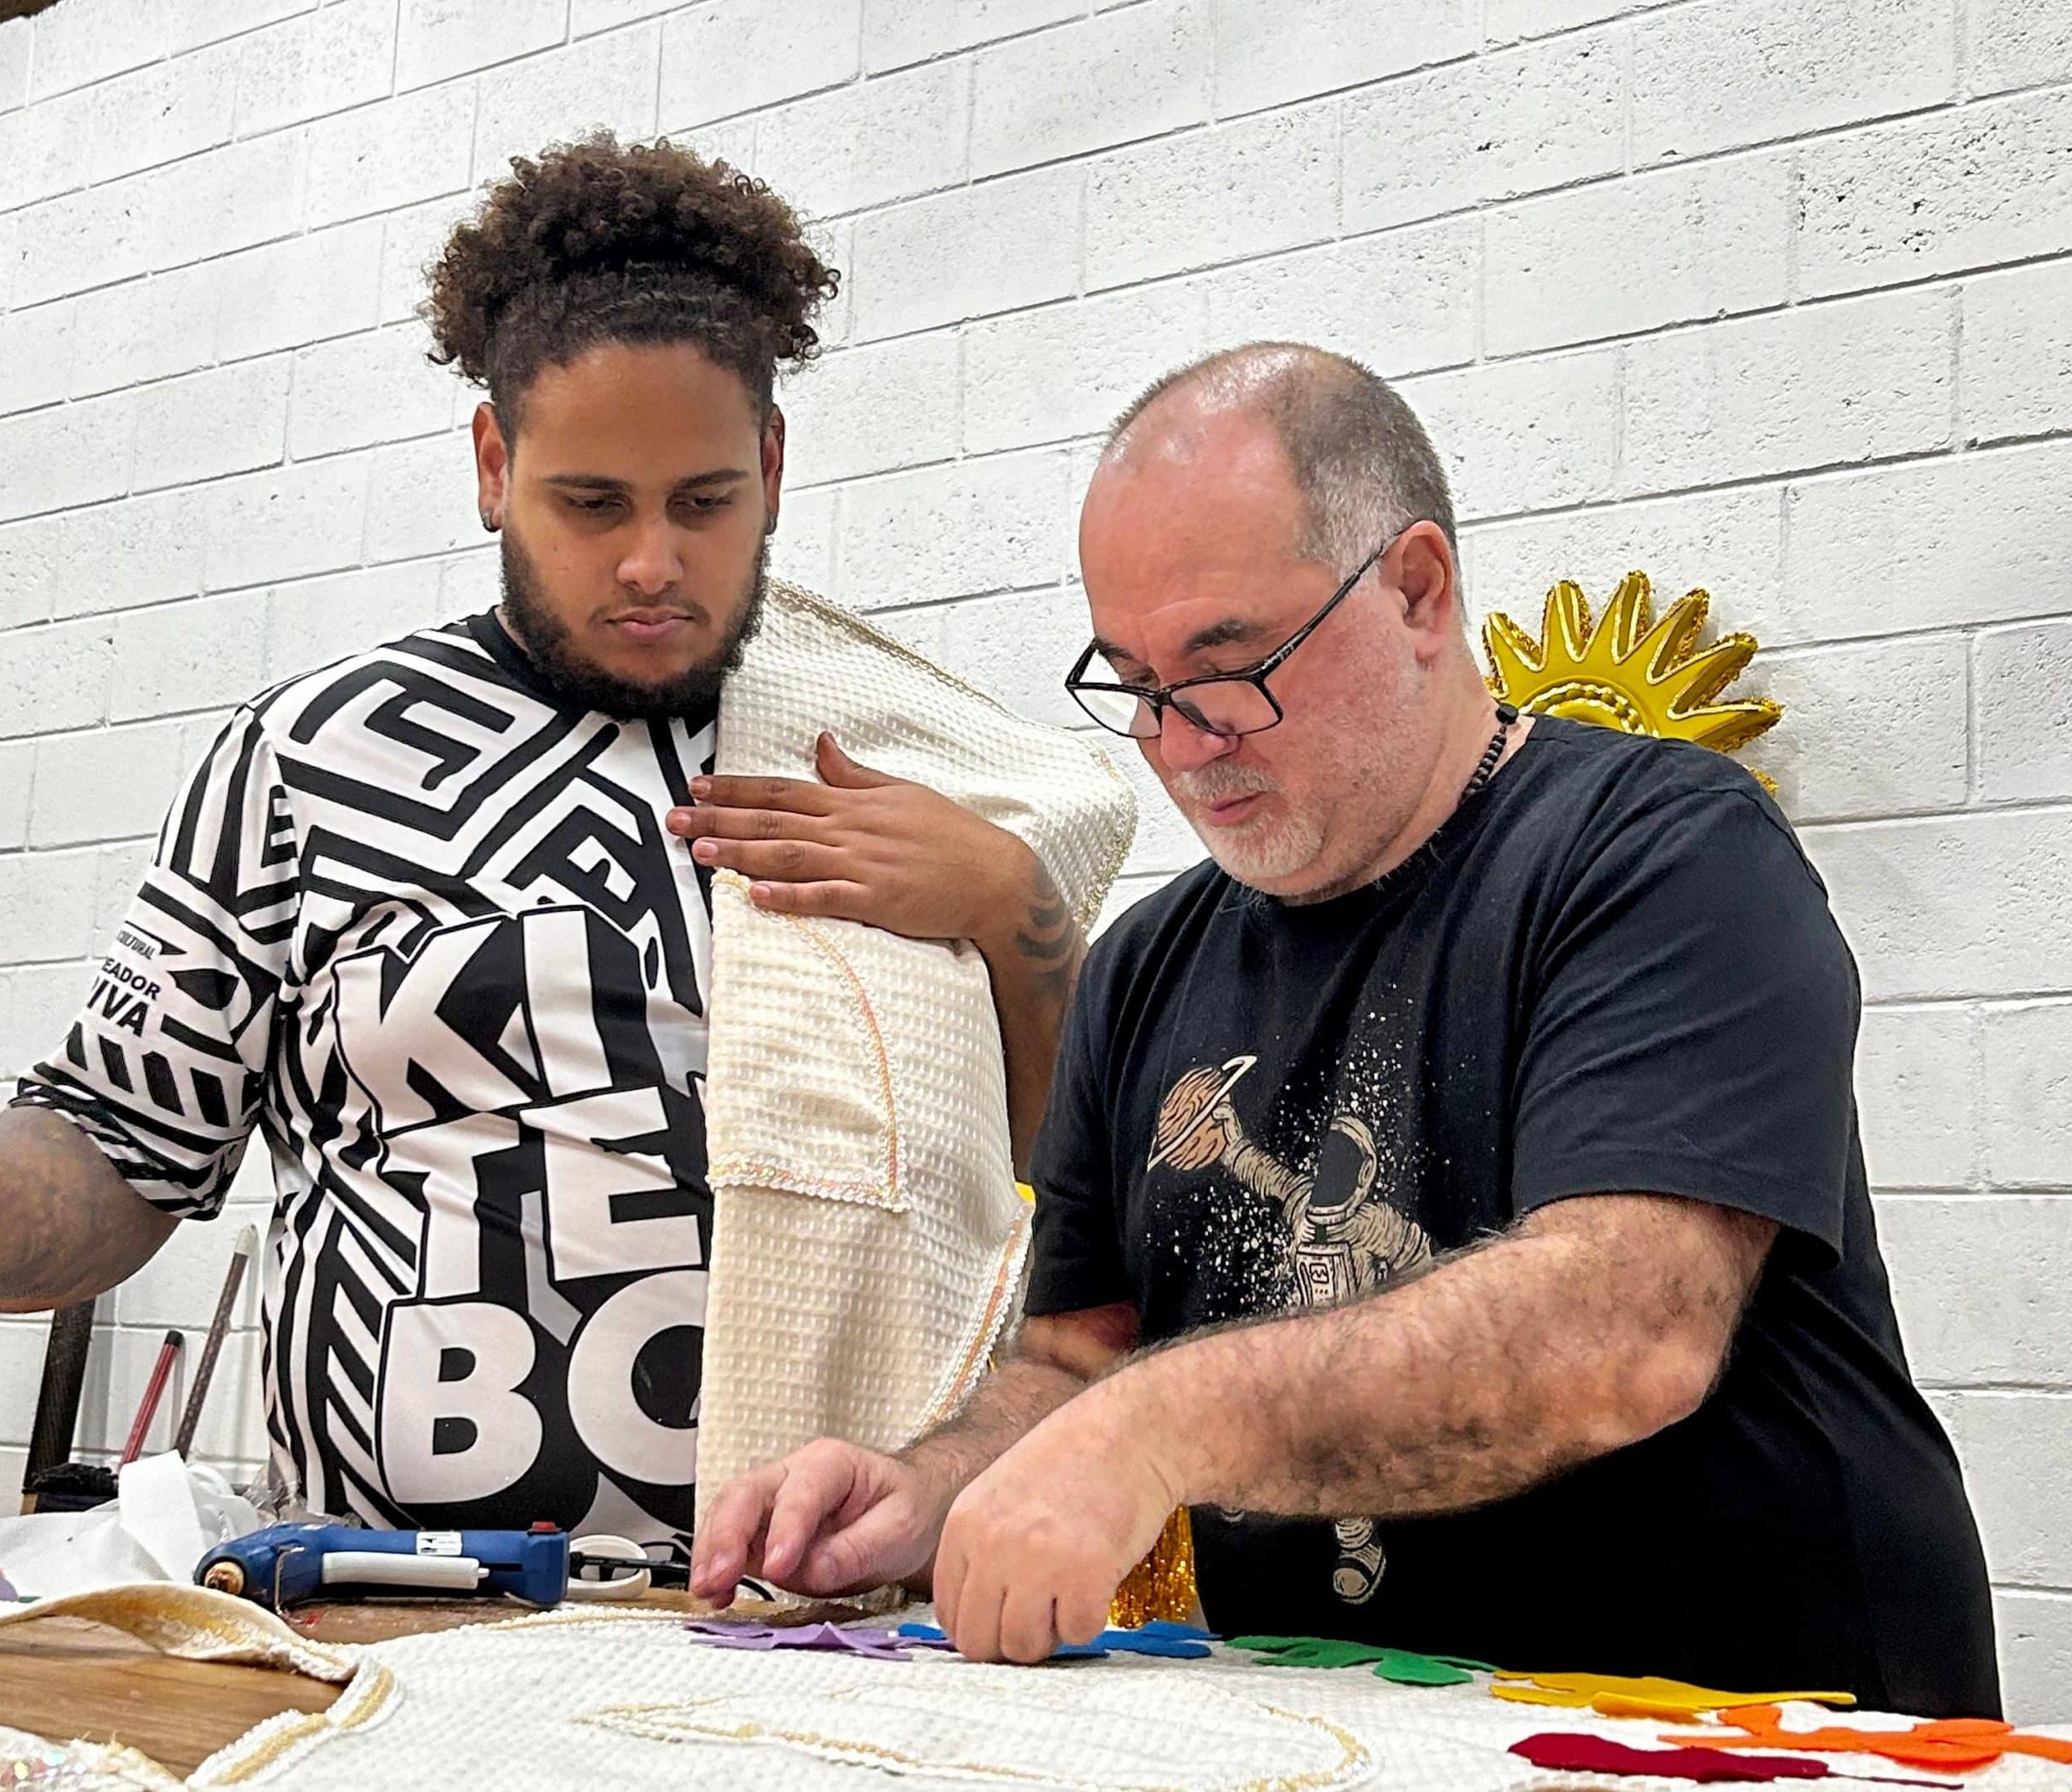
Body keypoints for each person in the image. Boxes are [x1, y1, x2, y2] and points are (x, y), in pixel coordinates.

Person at [691, 342, 2001, 1719]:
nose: (1185, 743)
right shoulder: (1142, 966)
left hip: (1759, 1729)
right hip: (1357, 1724)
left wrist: (1156, 1428)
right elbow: (1078, 1364)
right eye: (1135, 684)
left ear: (1418, 590)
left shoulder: (1662, 853)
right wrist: (928, 1489)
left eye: (1232, 664)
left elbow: (1626, 1331)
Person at [0, 138, 1128, 1553]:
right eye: (591, 502)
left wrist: (1013, 909)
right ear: (496, 466)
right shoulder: (310, 759)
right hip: (381, 1609)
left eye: (704, 500)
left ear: (775, 467)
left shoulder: (920, 756)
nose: (650, 565)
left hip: (828, 1621)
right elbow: (119, 1142)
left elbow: (1071, 1195)